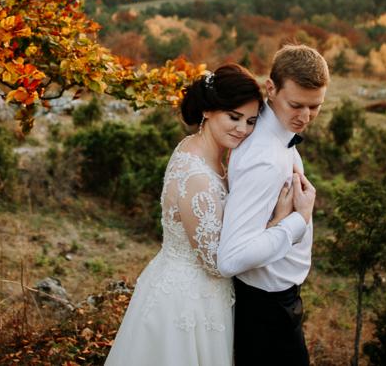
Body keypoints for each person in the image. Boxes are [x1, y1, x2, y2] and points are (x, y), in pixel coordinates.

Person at [106, 63, 268, 366]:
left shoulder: (201, 151)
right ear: (207, 111)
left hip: (197, 294)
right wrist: (276, 228)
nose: (242, 129)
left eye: (250, 121)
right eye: (233, 117)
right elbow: (217, 264)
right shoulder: (197, 176)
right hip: (187, 302)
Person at [217, 44, 330, 366]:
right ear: (271, 88)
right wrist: (296, 221)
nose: (305, 117)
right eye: (296, 105)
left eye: (315, 107)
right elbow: (231, 259)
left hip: (272, 302)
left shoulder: (274, 137)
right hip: (267, 309)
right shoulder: (266, 160)